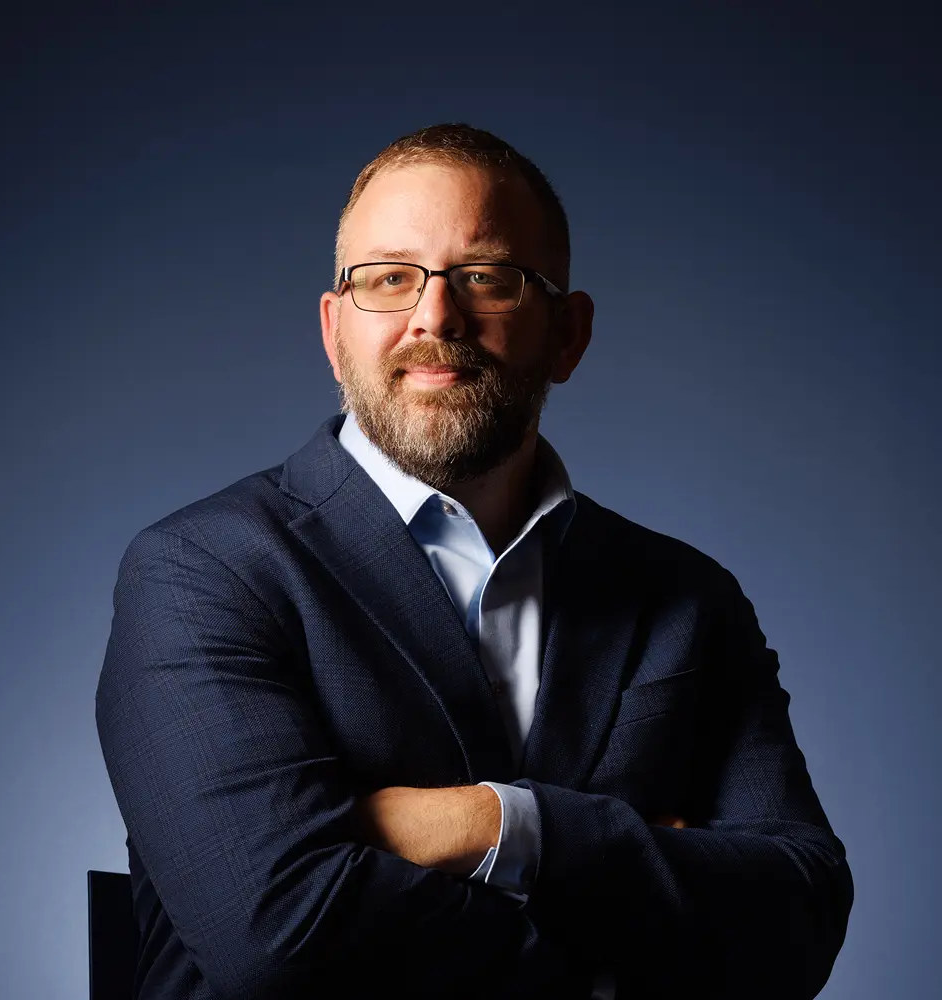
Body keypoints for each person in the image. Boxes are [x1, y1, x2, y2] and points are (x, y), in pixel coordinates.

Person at [96, 123, 853, 1000]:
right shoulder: (200, 572)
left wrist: (499, 824)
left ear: (568, 334)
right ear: (335, 333)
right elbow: (280, 940)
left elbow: (802, 914)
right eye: (389, 278)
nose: (435, 317)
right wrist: (638, 902)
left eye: (487, 276)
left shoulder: (688, 596)